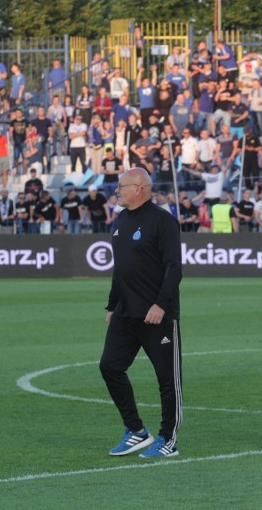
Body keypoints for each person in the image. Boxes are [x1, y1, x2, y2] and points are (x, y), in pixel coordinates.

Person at [100, 167, 184, 458]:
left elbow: (175, 268)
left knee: (166, 380)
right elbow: (119, 269)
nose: (117, 191)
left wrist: (161, 304)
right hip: (126, 312)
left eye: (121, 187)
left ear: (140, 189)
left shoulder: (163, 221)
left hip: (156, 314)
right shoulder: (121, 219)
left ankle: (168, 439)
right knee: (109, 366)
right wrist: (112, 305)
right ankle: (136, 430)